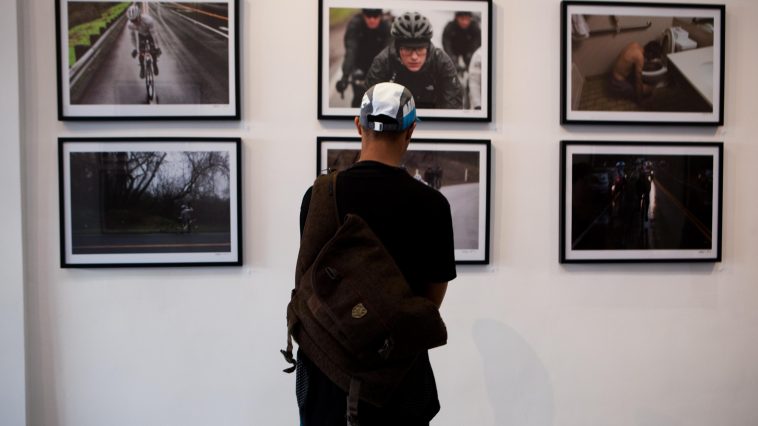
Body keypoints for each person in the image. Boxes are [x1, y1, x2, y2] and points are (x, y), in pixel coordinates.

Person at [295, 82, 456, 425]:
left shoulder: (318, 197)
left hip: (327, 380)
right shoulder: (433, 206)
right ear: (410, 130)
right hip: (400, 385)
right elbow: (431, 301)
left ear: (359, 125)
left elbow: (310, 280)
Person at [367, 12, 463, 109]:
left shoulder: (442, 61)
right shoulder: (383, 61)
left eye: (420, 49)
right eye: (407, 49)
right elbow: (370, 106)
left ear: (428, 48)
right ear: (397, 48)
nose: (414, 57)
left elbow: (453, 105)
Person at [336, 9, 391, 107]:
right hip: (359, 65)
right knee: (359, 99)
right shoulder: (355, 24)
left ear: (380, 16)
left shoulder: (386, 26)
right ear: (363, 15)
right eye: (368, 16)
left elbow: (388, 54)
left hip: (379, 66)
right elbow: (351, 51)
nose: (372, 19)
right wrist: (345, 76)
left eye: (375, 16)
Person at [126, 4, 161, 79]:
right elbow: (132, 37)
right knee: (141, 53)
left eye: (135, 19)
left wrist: (157, 47)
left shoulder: (148, 20)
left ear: (139, 16)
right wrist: (134, 48)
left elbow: (154, 34)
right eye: (132, 20)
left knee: (153, 51)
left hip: (150, 34)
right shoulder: (130, 24)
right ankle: (142, 68)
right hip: (141, 34)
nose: (134, 22)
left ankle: (154, 64)